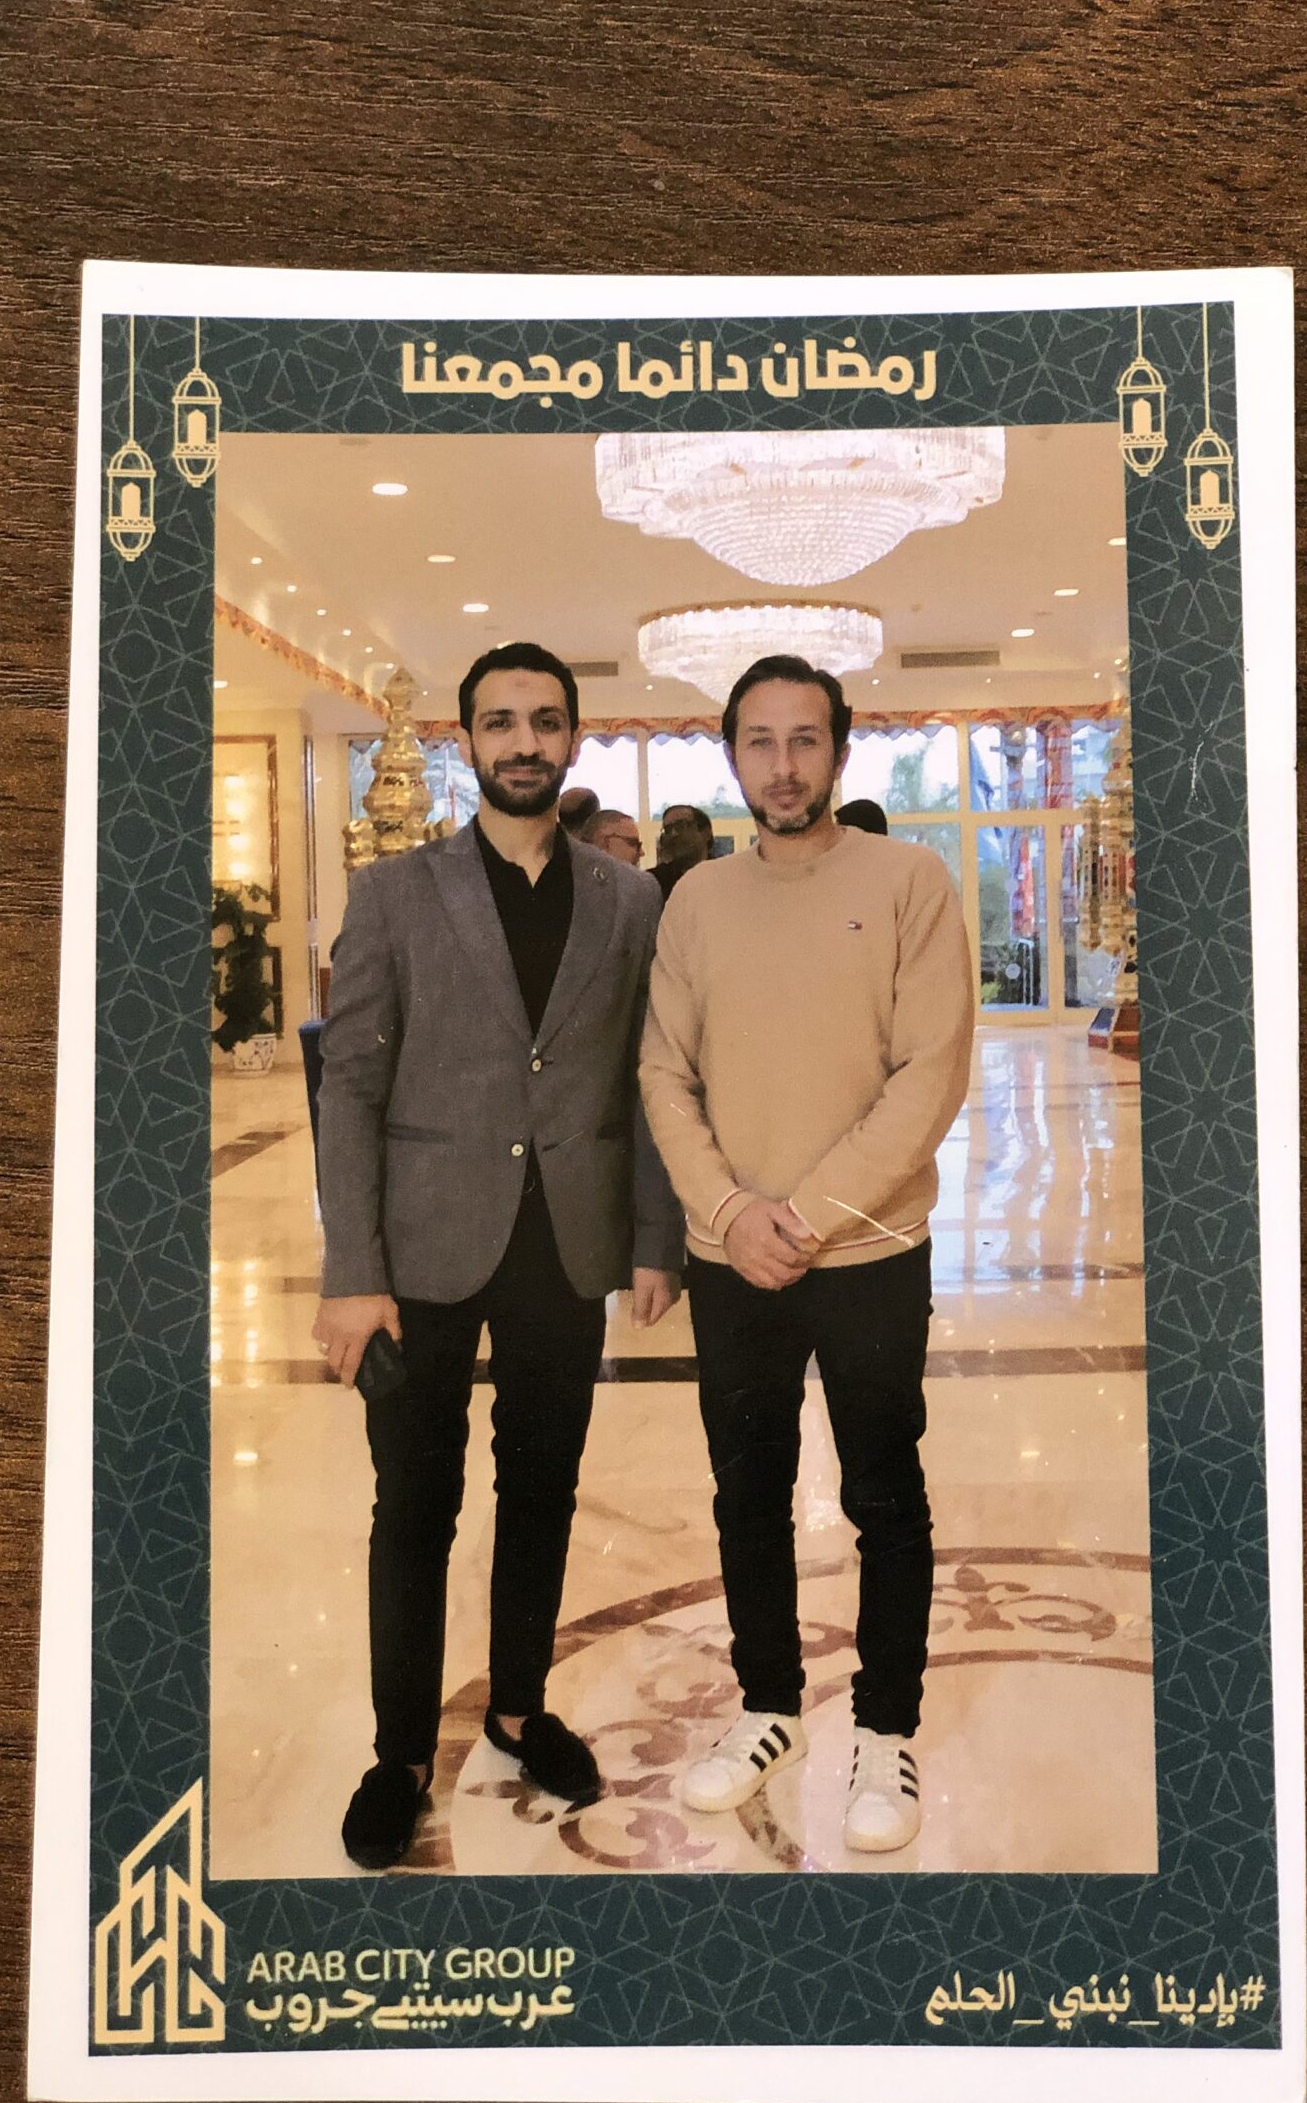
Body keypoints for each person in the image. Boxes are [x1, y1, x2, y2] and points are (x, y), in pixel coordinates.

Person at [314, 641, 683, 1868]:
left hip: (565, 1247)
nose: (524, 741)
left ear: (573, 736)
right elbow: (349, 1087)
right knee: (413, 1503)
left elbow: (647, 1082)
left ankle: (520, 1708)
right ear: (467, 740)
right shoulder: (395, 894)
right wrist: (351, 1270)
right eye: (501, 721)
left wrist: (653, 1239)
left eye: (545, 720)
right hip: (420, 1249)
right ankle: (400, 1755)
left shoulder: (629, 902)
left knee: (542, 1486)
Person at [639, 655, 974, 1855]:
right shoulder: (696, 901)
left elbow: (930, 1072)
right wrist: (733, 1212)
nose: (783, 766)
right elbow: (662, 1071)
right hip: (732, 1260)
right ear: (731, 752)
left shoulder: (910, 881)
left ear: (840, 747)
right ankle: (769, 1705)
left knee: (884, 1493)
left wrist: (809, 1214)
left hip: (870, 1253)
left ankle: (887, 1726)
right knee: (746, 1493)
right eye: (761, 741)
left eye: (805, 740)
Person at [649, 802, 714, 900]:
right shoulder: (654, 882)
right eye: (668, 829)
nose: (673, 834)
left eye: (681, 826)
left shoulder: (723, 875)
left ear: (706, 833)